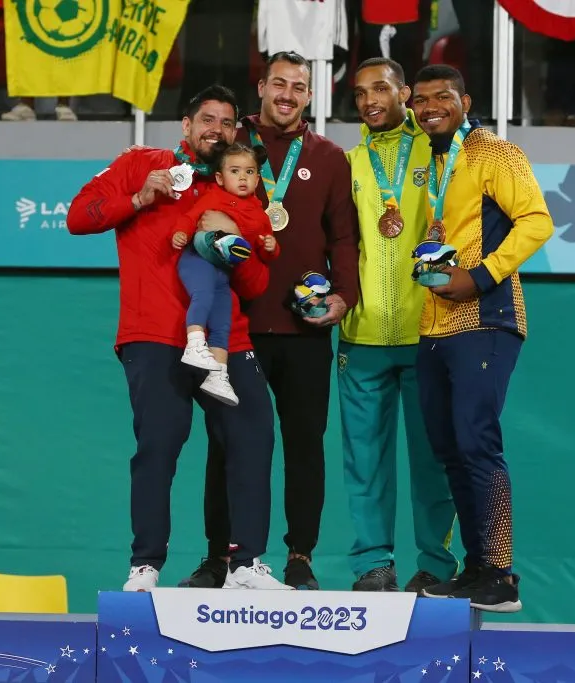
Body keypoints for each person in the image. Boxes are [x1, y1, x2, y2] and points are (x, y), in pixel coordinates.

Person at [66, 84, 291, 592]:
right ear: (185, 126)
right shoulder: (141, 164)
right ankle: (145, 565)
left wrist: (230, 243)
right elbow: (77, 218)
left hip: (225, 340)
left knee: (254, 435)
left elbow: (255, 283)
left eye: (228, 122)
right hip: (154, 336)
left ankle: (245, 565)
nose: (217, 129)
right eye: (207, 119)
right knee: (159, 447)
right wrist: (139, 196)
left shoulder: (240, 189)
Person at [180, 51, 361, 591]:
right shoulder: (233, 148)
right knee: (226, 445)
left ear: (311, 95)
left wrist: (345, 297)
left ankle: (300, 556)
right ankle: (221, 557)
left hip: (306, 329)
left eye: (299, 86)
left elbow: (343, 237)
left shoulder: (329, 157)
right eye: (278, 83)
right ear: (260, 86)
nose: (287, 93)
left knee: (306, 444)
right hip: (238, 327)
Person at [409, 64, 553, 611]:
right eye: (420, 100)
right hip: (435, 324)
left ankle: (500, 573)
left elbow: (536, 221)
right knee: (449, 450)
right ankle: (475, 569)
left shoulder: (495, 152)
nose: (430, 107)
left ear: (464, 100)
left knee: (476, 442)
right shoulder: (432, 161)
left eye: (442, 97)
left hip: (487, 318)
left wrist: (480, 277)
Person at [340, 57, 458, 593]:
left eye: (381, 88)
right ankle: (372, 565)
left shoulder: (437, 150)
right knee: (365, 462)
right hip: (360, 337)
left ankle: (435, 566)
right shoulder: (349, 162)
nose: (370, 100)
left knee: (434, 460)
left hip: (426, 329)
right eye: (361, 92)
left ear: (405, 93)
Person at [171, 142, 282, 405]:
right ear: (220, 177)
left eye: (249, 172)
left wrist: (271, 248)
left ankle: (217, 374)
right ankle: (195, 342)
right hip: (197, 261)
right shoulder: (213, 197)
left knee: (222, 319)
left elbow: (262, 254)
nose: (243, 178)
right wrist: (181, 233)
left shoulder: (259, 213)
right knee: (204, 295)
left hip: (223, 273)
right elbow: (190, 217)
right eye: (235, 171)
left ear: (258, 178)